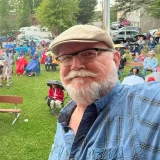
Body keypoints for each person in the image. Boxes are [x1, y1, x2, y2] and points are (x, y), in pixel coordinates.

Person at [48, 25, 160, 159]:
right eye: (66, 58)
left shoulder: (144, 105)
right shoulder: (64, 117)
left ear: (115, 59)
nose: (75, 65)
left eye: (88, 53)